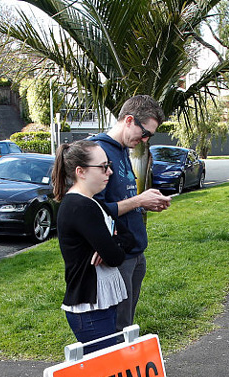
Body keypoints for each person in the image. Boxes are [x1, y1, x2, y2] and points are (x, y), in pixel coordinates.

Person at [91, 95, 172, 331]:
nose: (145, 140)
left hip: (135, 251)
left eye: (150, 136)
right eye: (145, 132)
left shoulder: (122, 150)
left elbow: (121, 200)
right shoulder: (98, 152)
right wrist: (138, 200)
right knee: (116, 329)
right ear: (128, 120)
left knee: (127, 325)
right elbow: (93, 210)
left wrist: (145, 202)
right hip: (117, 255)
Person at [53, 140, 134, 353]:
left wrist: (112, 242)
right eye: (103, 167)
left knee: (108, 368)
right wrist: (112, 245)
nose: (109, 172)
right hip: (89, 308)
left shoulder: (93, 202)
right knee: (104, 370)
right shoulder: (79, 206)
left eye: (108, 165)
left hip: (101, 302)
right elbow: (116, 257)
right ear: (81, 171)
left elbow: (128, 238)